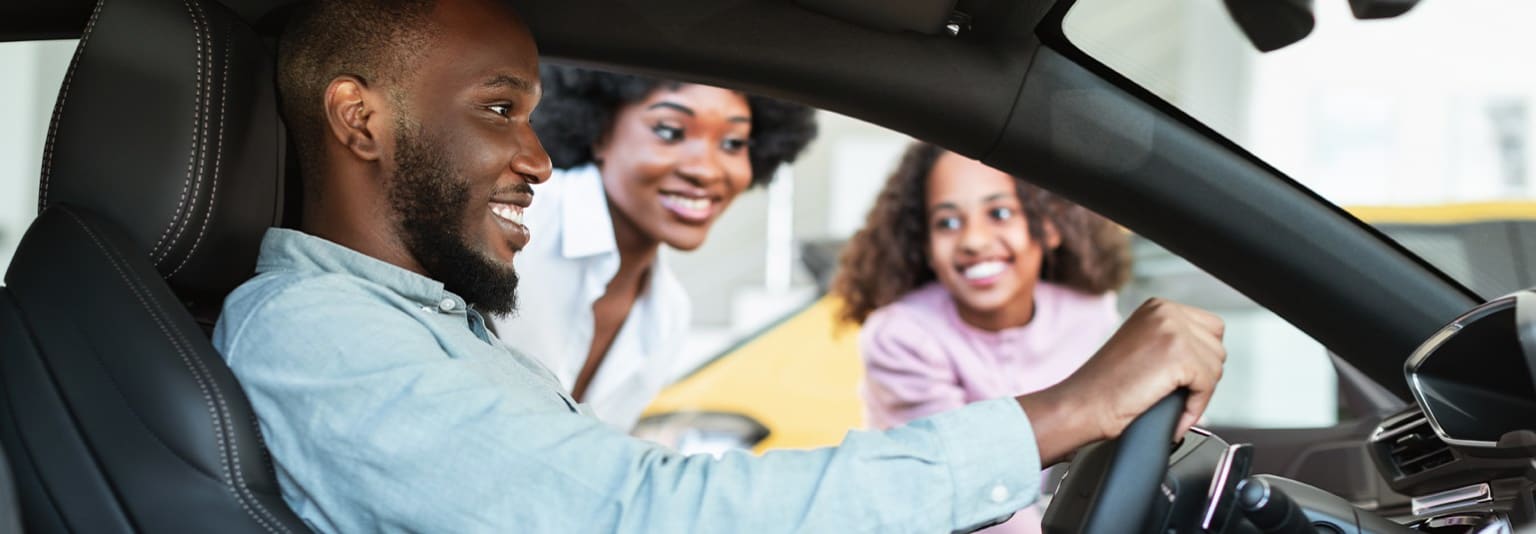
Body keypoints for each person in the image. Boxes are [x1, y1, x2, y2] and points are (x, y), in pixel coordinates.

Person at [213, 0, 1226, 531]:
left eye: (528, 112)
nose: (538, 159)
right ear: (361, 119)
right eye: (496, 109)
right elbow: (631, 514)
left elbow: (607, 493)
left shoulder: (433, 324)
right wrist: (1060, 413)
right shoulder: (317, 332)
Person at [491, 66, 817, 430]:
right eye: (670, 132)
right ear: (599, 131)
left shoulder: (667, 314)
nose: (706, 171)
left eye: (733, 143)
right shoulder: (521, 219)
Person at [833, 143, 1134, 533]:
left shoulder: (1091, 314)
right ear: (925, 245)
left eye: (1000, 213)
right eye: (947, 222)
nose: (973, 240)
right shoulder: (902, 336)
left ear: (1049, 225)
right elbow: (963, 488)